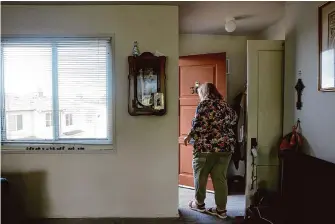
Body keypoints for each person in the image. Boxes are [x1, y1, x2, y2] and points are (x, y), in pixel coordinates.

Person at [184, 82, 238, 219]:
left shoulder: (204, 105)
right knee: (220, 178)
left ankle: (199, 204)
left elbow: (198, 125)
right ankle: (221, 210)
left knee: (200, 176)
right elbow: (234, 120)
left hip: (205, 148)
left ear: (203, 93)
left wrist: (189, 136)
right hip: (226, 147)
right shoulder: (225, 105)